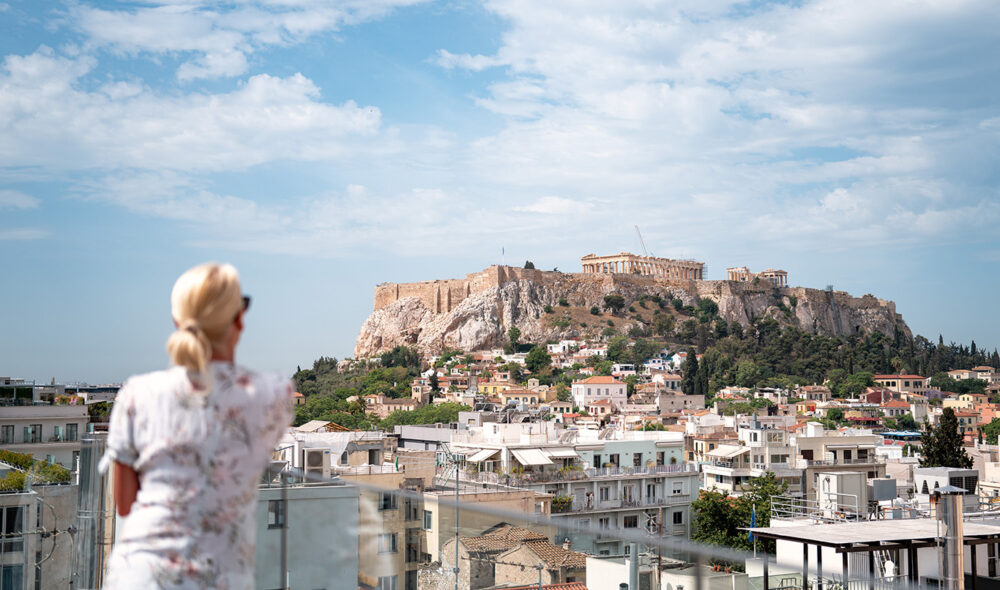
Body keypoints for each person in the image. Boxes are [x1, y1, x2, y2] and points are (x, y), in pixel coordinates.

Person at [99, 263, 294, 589]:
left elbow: (125, 504)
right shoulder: (273, 396)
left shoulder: (135, 394)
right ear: (239, 319)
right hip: (219, 578)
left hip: (138, 575)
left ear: (177, 321)